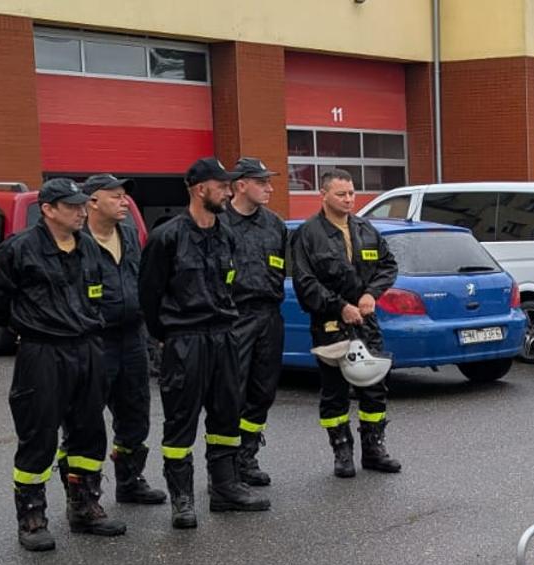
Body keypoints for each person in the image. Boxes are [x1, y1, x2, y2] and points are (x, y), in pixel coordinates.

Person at [0, 178, 125, 550]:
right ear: (47, 209)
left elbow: (98, 295)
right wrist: (27, 327)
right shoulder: (20, 249)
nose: (81, 212)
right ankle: (32, 517)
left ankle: (85, 505)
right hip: (42, 352)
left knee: (89, 431)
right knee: (38, 434)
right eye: (72, 206)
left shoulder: (87, 247)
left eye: (82, 205)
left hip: (87, 348)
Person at [140, 157, 270, 527]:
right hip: (185, 340)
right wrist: (166, 337)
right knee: (181, 421)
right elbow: (149, 295)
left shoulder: (226, 234)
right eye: (222, 185)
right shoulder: (167, 237)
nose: (229, 192)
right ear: (201, 189)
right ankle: (182, 499)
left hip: (224, 337)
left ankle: (225, 487)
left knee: (227, 413)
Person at [288, 169, 403, 477]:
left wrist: (371, 294)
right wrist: (339, 307)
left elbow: (388, 265)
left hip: (366, 322)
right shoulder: (308, 234)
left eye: (351, 193)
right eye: (341, 194)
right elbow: (305, 282)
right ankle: (342, 452)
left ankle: (374, 450)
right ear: (323, 195)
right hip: (330, 326)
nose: (349, 199)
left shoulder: (365, 229)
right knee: (335, 392)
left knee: (375, 388)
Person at [80, 174, 165, 505]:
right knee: (85, 419)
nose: (124, 201)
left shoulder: (128, 234)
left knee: (135, 412)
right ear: (92, 202)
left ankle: (130, 481)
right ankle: (83, 497)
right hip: (95, 341)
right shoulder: (77, 240)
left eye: (124, 195)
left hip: (131, 336)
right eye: (115, 196)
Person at [221, 157, 290, 484]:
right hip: (233, 316)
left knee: (263, 391)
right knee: (230, 393)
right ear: (241, 185)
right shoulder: (219, 223)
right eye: (262, 183)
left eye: (268, 182)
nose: (269, 188)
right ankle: (224, 464)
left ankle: (246, 456)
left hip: (269, 315)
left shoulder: (274, 224)